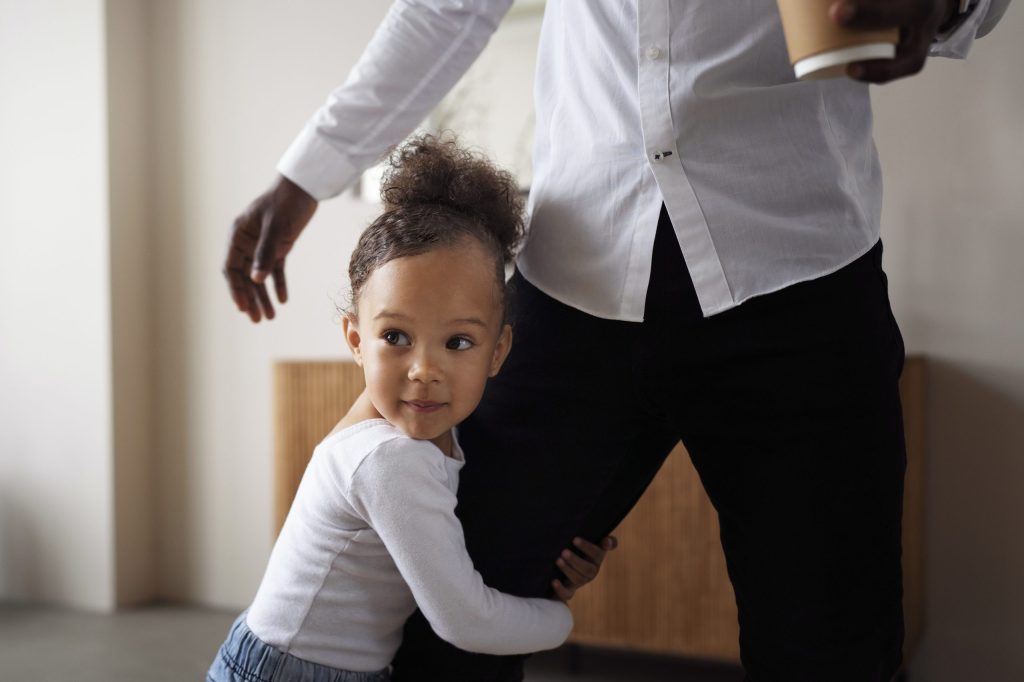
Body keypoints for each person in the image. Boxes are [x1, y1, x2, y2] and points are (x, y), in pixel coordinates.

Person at [222, 1, 1011, 680]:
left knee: (832, 646)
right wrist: (305, 176)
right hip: (575, 281)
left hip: (802, 277)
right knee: (451, 616)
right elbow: (449, 7)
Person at [208, 136, 617, 682]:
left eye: (459, 343)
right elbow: (465, 621)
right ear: (356, 340)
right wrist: (559, 619)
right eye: (396, 335)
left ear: (499, 352)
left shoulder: (417, 433)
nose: (424, 369)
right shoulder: (390, 458)